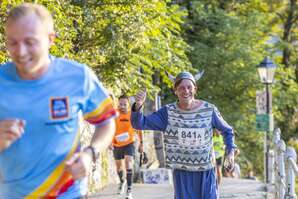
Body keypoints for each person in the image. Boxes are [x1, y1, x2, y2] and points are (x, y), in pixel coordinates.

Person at [0, 3, 117, 198]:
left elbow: (106, 122)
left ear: (50, 39)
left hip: (68, 193)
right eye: (13, 42)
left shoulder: (78, 76)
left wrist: (90, 154)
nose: (20, 52)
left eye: (30, 42)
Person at [131, 71, 236, 199]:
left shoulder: (209, 110)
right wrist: (138, 106)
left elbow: (228, 131)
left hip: (205, 172)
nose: (185, 91)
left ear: (195, 89)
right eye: (181, 88)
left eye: (189, 87)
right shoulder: (168, 113)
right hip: (182, 173)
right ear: (175, 90)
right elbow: (140, 124)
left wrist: (230, 153)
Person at [112, 94, 143, 199]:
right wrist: (109, 142)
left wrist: (141, 143)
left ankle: (129, 190)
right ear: (118, 104)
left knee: (128, 162)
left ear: (128, 105)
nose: (122, 106)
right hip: (116, 144)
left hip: (130, 143)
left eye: (125, 104)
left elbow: (139, 128)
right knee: (119, 167)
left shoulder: (131, 115)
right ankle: (122, 181)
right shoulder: (114, 114)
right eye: (120, 104)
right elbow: (108, 128)